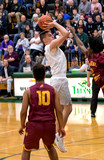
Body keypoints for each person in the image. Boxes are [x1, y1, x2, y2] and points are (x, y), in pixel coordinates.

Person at [19, 63, 65, 160]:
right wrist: (61, 127)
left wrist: (21, 125)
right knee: (50, 147)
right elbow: (59, 110)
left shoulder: (28, 91)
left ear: (33, 76)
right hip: (49, 124)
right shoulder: (52, 90)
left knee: (26, 150)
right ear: (45, 75)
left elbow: (23, 111)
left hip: (34, 125)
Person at [40, 21, 72, 153]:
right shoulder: (50, 46)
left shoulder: (53, 47)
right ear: (45, 40)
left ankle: (56, 134)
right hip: (59, 80)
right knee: (68, 108)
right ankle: (59, 134)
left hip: (55, 80)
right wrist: (54, 23)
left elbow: (64, 35)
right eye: (50, 35)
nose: (52, 36)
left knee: (58, 110)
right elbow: (66, 33)